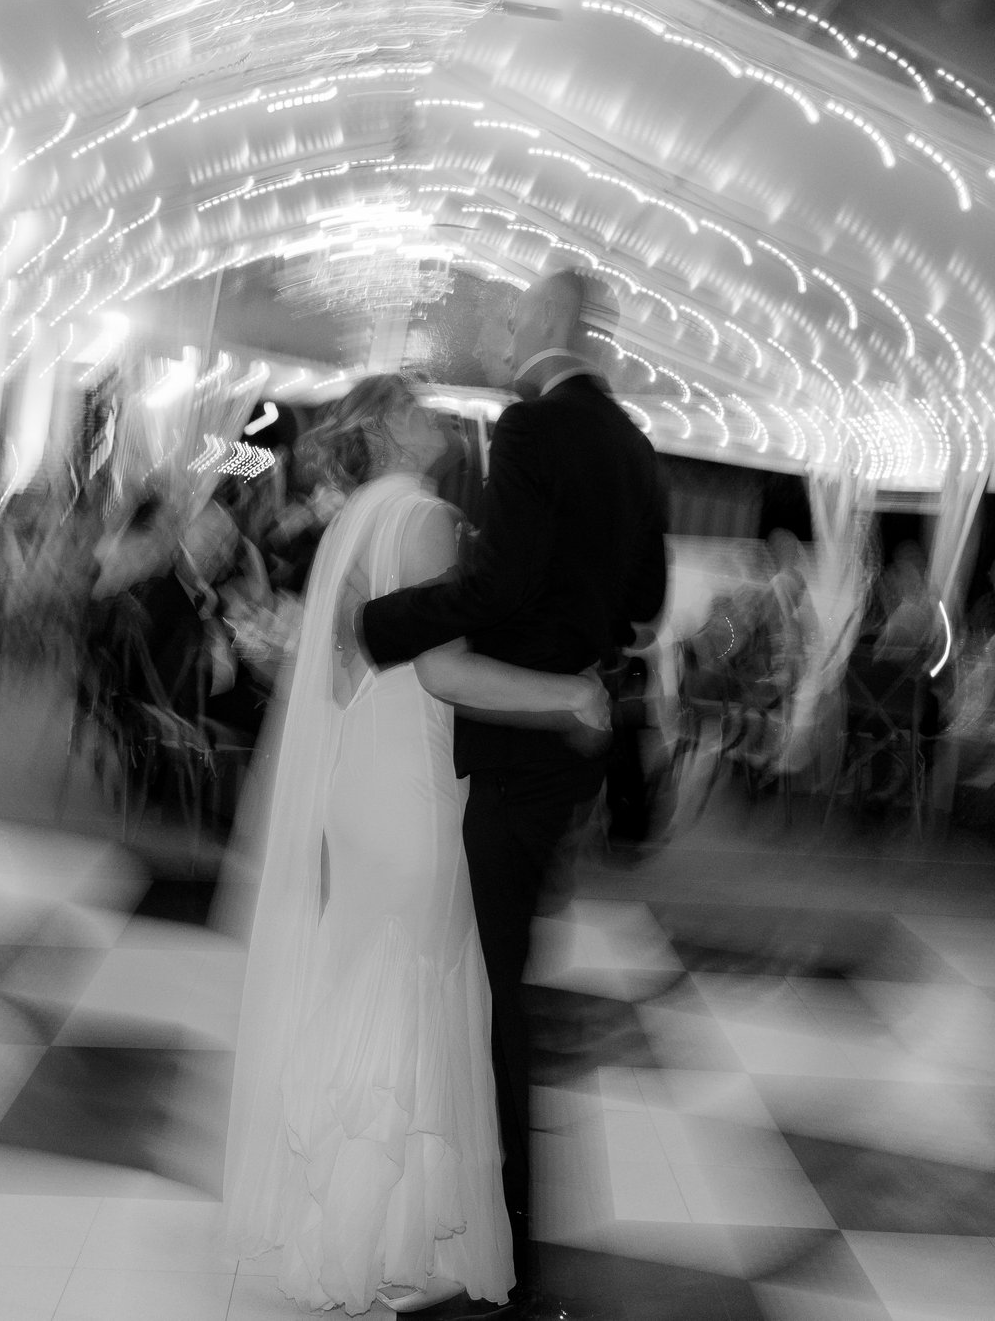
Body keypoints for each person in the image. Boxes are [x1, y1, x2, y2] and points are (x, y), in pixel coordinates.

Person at [222, 374, 613, 1315]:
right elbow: (442, 668)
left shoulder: (355, 516)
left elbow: (342, 660)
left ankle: (375, 1226)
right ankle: (357, 1245)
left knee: (372, 981)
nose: (442, 420)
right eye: (425, 408)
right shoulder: (428, 516)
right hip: (414, 787)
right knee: (409, 991)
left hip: (362, 777)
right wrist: (568, 694)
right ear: (394, 425)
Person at [356, 270, 672, 1316]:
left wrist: (375, 626)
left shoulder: (529, 429)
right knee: (510, 971)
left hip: (518, 745)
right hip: (571, 754)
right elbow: (642, 607)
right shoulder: (634, 444)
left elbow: (499, 588)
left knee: (499, 994)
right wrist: (577, 668)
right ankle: (494, 1208)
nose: (496, 326)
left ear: (549, 324)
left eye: (512, 312)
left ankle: (514, 1241)